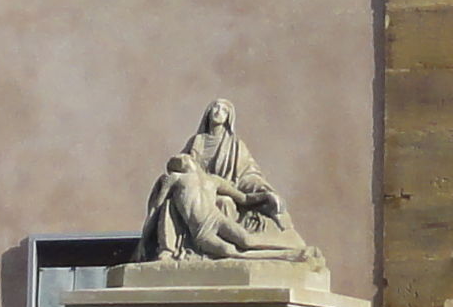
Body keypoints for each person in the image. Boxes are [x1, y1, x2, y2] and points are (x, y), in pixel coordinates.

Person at [138, 99, 322, 265]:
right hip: (203, 217)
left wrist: (265, 194)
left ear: (229, 118)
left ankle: (292, 246)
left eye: (223, 109)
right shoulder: (196, 143)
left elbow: (247, 180)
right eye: (215, 107)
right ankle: (168, 249)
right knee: (172, 203)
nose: (218, 111)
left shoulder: (235, 146)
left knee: (227, 206)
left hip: (219, 200)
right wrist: (146, 236)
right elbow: (160, 198)